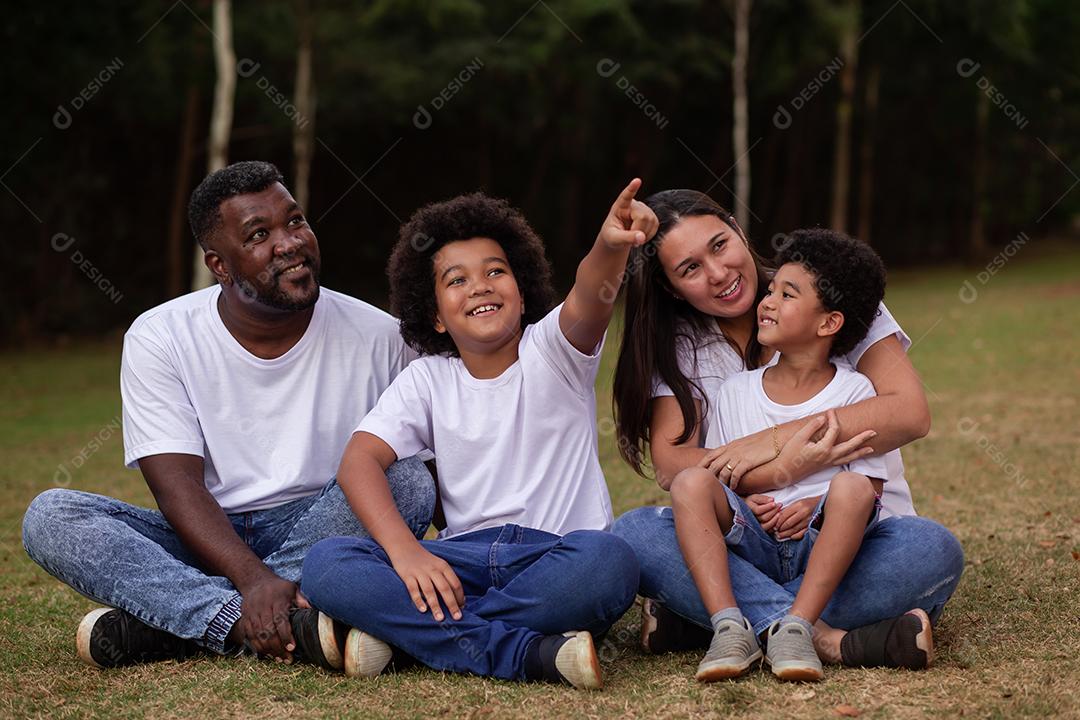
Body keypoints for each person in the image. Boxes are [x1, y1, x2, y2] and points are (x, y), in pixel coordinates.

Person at [21, 161, 435, 671]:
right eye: (259, 235)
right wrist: (253, 580)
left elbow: (428, 471)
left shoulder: (382, 337)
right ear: (220, 265)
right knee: (52, 516)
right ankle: (257, 620)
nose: (289, 242)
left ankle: (181, 627)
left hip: (325, 528)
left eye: (295, 220)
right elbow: (177, 488)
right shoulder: (161, 336)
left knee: (409, 480)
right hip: (205, 536)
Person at [300, 181, 654, 689]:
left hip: (554, 557)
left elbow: (590, 298)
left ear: (521, 286)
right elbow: (358, 461)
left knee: (612, 559)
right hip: (458, 561)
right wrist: (407, 550)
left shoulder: (554, 350)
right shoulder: (427, 378)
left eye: (495, 271)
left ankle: (416, 640)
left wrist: (611, 246)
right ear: (435, 316)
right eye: (457, 280)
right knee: (326, 563)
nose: (481, 286)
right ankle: (525, 653)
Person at [611, 189, 964, 670]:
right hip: (750, 540)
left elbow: (909, 413)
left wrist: (774, 440)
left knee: (931, 550)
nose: (718, 274)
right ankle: (817, 636)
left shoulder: (830, 286)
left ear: (738, 228)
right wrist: (780, 471)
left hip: (854, 544)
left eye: (719, 245)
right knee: (634, 534)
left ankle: (711, 622)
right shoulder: (683, 345)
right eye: (689, 269)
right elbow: (675, 465)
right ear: (672, 287)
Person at [673, 228, 924, 683]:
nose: (766, 302)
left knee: (930, 547)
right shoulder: (735, 391)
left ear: (829, 323)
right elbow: (722, 478)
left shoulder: (857, 391)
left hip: (825, 546)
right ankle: (731, 624)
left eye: (786, 295)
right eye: (771, 290)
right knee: (676, 495)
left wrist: (814, 505)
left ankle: (791, 624)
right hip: (755, 542)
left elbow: (867, 487)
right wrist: (748, 497)